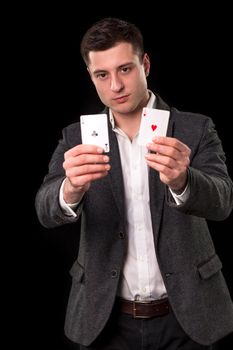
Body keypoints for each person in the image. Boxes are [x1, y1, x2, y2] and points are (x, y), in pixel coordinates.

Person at [35, 17, 233, 349]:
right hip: (106, 320)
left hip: (189, 317)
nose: (115, 86)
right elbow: (45, 208)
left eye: (125, 69)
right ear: (91, 77)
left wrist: (184, 180)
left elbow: (223, 201)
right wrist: (69, 189)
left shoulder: (195, 129)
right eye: (103, 75)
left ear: (145, 64)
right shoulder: (76, 138)